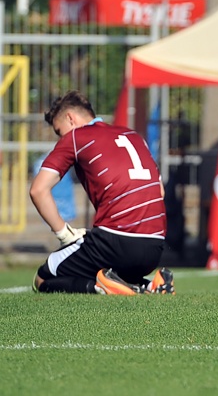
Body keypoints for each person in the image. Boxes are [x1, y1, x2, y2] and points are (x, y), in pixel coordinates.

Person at [30, 90, 174, 295]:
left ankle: (100, 288)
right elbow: (159, 192)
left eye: (59, 131)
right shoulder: (133, 136)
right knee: (108, 269)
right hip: (155, 246)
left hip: (114, 242)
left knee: (42, 279)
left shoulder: (75, 137)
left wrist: (64, 234)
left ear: (70, 118)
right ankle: (151, 285)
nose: (61, 137)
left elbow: (38, 189)